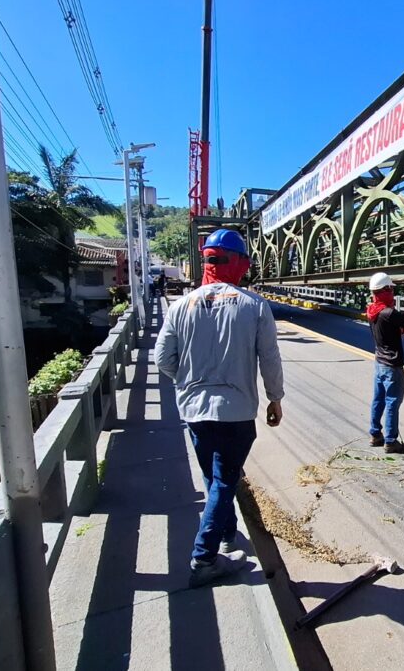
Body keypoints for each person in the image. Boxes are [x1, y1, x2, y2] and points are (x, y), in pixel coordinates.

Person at [155, 229, 285, 588]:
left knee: (213, 478)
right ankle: (204, 558)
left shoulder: (181, 306)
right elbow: (269, 359)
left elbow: (163, 358)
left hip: (194, 409)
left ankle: (228, 535)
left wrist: (188, 381)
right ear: (239, 263)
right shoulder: (253, 306)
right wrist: (275, 398)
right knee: (225, 479)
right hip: (236, 411)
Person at [366, 272, 404, 453]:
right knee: (392, 402)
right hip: (392, 366)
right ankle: (391, 441)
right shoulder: (389, 313)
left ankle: (375, 434)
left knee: (378, 400)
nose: (393, 293)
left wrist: (403, 328)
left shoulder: (372, 311)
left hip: (379, 364)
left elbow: (392, 329)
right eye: (391, 290)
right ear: (385, 290)